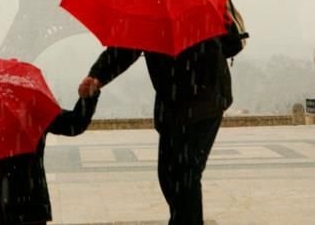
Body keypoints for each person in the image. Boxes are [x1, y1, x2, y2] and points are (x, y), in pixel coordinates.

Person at [79, 37, 232, 225]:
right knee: (175, 174)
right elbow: (128, 45)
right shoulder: (165, 14)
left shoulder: (172, 14)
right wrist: (98, 75)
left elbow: (127, 46)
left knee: (182, 174)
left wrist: (98, 75)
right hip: (187, 101)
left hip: (199, 100)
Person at [0, 92, 99, 224]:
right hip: (25, 203)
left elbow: (74, 123)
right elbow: (75, 123)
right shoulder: (33, 107)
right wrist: (90, 93)